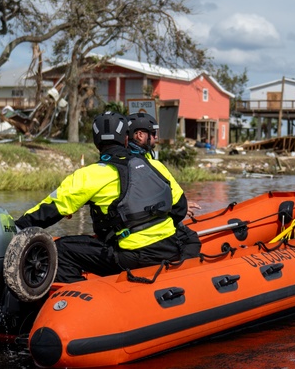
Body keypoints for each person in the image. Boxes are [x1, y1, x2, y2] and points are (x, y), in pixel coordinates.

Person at [14, 112, 198, 282]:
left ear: (96, 142)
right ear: (127, 139)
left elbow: (50, 210)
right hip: (170, 248)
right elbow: (180, 208)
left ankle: (84, 302)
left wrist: (18, 227)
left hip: (132, 256)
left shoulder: (90, 174)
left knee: (60, 251)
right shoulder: (156, 166)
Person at [126, 112, 202, 251]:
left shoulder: (117, 164)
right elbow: (178, 207)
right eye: (153, 133)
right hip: (149, 238)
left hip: (124, 234)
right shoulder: (153, 166)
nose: (156, 137)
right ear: (140, 135)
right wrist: (182, 207)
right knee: (191, 240)